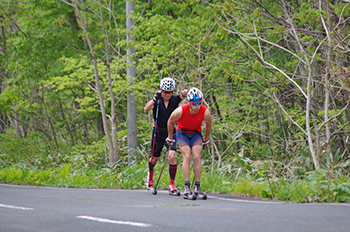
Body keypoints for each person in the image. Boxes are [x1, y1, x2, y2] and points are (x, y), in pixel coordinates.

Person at [166, 87, 212, 199]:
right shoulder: (181, 110)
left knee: (197, 157)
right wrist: (170, 137)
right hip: (183, 133)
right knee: (186, 156)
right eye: (194, 103)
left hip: (196, 134)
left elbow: (208, 125)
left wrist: (206, 138)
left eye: (199, 103)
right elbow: (170, 121)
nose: (197, 106)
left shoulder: (205, 111)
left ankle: (197, 186)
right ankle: (187, 186)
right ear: (189, 102)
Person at [144, 77, 188, 194]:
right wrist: (154, 99)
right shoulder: (157, 100)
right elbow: (146, 109)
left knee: (172, 156)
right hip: (158, 132)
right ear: (161, 90)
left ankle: (171, 184)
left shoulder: (174, 100)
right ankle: (150, 178)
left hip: (171, 132)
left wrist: (185, 93)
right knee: (154, 159)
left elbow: (182, 96)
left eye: (169, 92)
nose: (167, 94)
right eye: (165, 92)